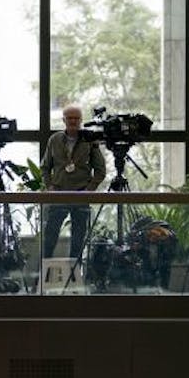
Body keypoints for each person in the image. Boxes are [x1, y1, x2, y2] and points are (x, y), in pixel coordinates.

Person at [40, 105, 106, 263]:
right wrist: (50, 187)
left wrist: (89, 190)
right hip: (58, 194)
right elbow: (45, 167)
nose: (73, 121)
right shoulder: (54, 139)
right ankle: (42, 278)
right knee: (49, 238)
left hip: (81, 194)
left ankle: (74, 278)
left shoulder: (89, 140)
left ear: (81, 120)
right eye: (69, 118)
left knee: (78, 240)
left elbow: (100, 170)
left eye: (76, 118)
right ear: (64, 120)